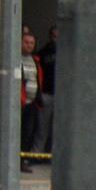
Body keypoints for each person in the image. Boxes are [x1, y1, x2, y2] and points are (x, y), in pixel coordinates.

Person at [16, 28, 47, 170]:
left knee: (28, 134)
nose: (29, 45)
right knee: (18, 132)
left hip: (32, 102)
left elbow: (38, 78)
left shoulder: (35, 60)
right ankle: (14, 161)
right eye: (26, 42)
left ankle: (23, 161)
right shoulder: (15, 59)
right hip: (19, 103)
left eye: (32, 43)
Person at [34, 25, 58, 162]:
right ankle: (37, 155)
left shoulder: (67, 53)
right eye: (54, 36)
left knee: (57, 129)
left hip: (60, 95)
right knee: (42, 128)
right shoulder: (42, 54)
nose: (56, 39)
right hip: (47, 93)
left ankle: (52, 156)